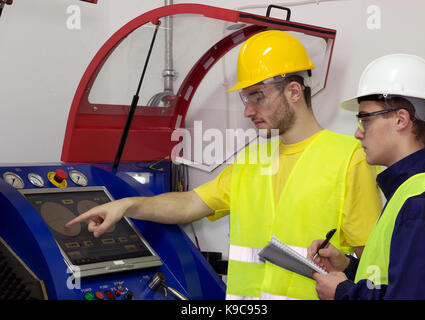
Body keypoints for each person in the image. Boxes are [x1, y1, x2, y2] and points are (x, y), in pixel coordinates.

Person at [66, 30, 382, 300]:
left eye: (257, 96)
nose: (248, 111)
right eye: (246, 98)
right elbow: (191, 203)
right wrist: (127, 205)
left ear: (294, 91)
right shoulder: (252, 159)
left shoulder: (350, 157)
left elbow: (370, 262)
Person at [308, 53, 425, 300]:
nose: (357, 133)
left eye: (365, 120)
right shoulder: (409, 193)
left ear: (401, 119)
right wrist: (347, 267)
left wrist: (342, 293)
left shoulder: (418, 205)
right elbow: (397, 282)